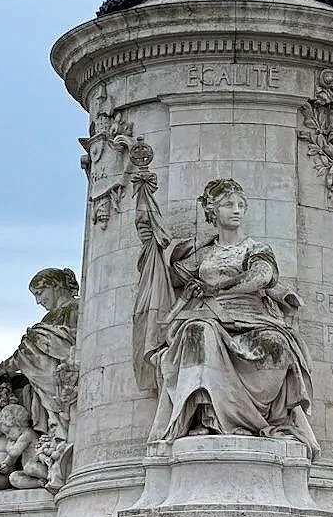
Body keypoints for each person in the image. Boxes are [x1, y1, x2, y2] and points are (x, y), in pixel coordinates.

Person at [136, 178, 318, 457]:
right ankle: (207, 415)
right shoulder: (204, 253)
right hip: (211, 314)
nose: (236, 210)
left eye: (241, 205)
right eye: (228, 205)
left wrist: (218, 286)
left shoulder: (254, 248)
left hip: (252, 317)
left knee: (274, 345)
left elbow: (263, 276)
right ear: (213, 212)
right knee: (197, 332)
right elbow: (169, 278)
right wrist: (154, 248)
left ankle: (254, 419)